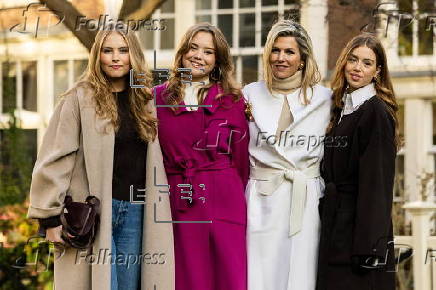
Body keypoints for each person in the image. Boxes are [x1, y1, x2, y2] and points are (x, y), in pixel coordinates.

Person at [27, 28, 174, 290]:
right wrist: (49, 219)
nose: (115, 58)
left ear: (134, 56)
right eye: (108, 51)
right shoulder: (79, 98)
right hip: (92, 213)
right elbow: (55, 156)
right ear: (98, 56)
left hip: (135, 213)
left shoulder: (146, 100)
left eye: (123, 50)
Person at [154, 23, 249, 290]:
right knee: (188, 276)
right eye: (193, 48)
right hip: (180, 199)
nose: (198, 56)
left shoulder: (232, 100)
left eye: (208, 52)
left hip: (224, 199)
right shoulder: (157, 98)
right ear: (182, 53)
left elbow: (241, 162)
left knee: (228, 275)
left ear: (217, 60)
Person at [243, 19, 332, 290]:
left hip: (304, 198)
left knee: (300, 272)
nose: (281, 58)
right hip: (261, 197)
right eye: (276, 50)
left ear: (303, 59)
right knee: (259, 272)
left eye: (289, 52)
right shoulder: (249, 94)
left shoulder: (325, 99)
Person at [316, 33, 399, 290]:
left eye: (366, 63)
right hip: (334, 226)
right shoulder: (341, 109)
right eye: (353, 60)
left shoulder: (375, 112)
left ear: (377, 71)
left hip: (359, 238)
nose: (357, 68)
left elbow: (378, 184)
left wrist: (370, 249)